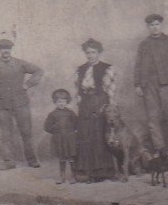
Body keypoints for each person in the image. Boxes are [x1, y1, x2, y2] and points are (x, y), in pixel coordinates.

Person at [0, 39, 43, 170]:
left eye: (8, 48)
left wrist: (28, 84)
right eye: (3, 48)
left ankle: (32, 160)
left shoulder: (20, 64)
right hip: (3, 106)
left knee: (26, 132)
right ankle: (8, 162)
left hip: (21, 104)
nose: (5, 51)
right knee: (6, 135)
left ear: (11, 50)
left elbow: (38, 71)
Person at [134, 14, 168, 156]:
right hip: (149, 85)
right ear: (148, 27)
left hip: (167, 83)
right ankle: (159, 148)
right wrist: (137, 84)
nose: (154, 27)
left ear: (161, 26)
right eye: (151, 25)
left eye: (157, 24)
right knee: (153, 117)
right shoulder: (143, 45)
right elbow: (138, 65)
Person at [73, 38, 118, 182]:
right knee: (86, 136)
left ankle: (104, 171)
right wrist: (80, 104)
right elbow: (77, 90)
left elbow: (110, 90)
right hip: (85, 105)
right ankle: (88, 171)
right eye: (88, 53)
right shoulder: (80, 69)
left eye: (93, 52)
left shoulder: (107, 68)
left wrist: (110, 108)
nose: (90, 55)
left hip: (100, 103)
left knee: (100, 135)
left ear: (99, 52)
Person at [44, 89, 78, 185]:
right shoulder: (52, 114)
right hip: (59, 139)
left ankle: (73, 176)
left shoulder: (70, 113)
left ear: (67, 101)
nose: (61, 104)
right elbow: (47, 127)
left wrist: (71, 131)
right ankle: (62, 176)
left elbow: (76, 124)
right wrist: (56, 130)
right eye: (59, 101)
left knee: (71, 158)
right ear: (55, 102)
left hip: (70, 139)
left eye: (63, 101)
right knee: (62, 159)